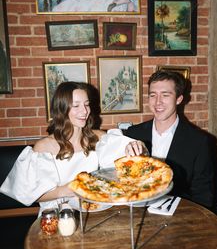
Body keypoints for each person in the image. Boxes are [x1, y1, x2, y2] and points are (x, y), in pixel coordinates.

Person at [0, 82, 135, 216]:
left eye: (86, 104)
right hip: (59, 214)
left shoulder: (100, 138)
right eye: (76, 105)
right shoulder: (45, 147)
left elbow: (127, 163)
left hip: (95, 211)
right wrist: (69, 189)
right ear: (62, 109)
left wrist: (132, 146)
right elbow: (32, 195)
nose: (84, 111)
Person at [125, 70, 217, 209]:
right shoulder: (133, 133)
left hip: (179, 217)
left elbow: (204, 196)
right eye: (153, 95)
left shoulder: (199, 141)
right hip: (137, 213)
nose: (158, 102)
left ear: (179, 99)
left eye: (165, 95)